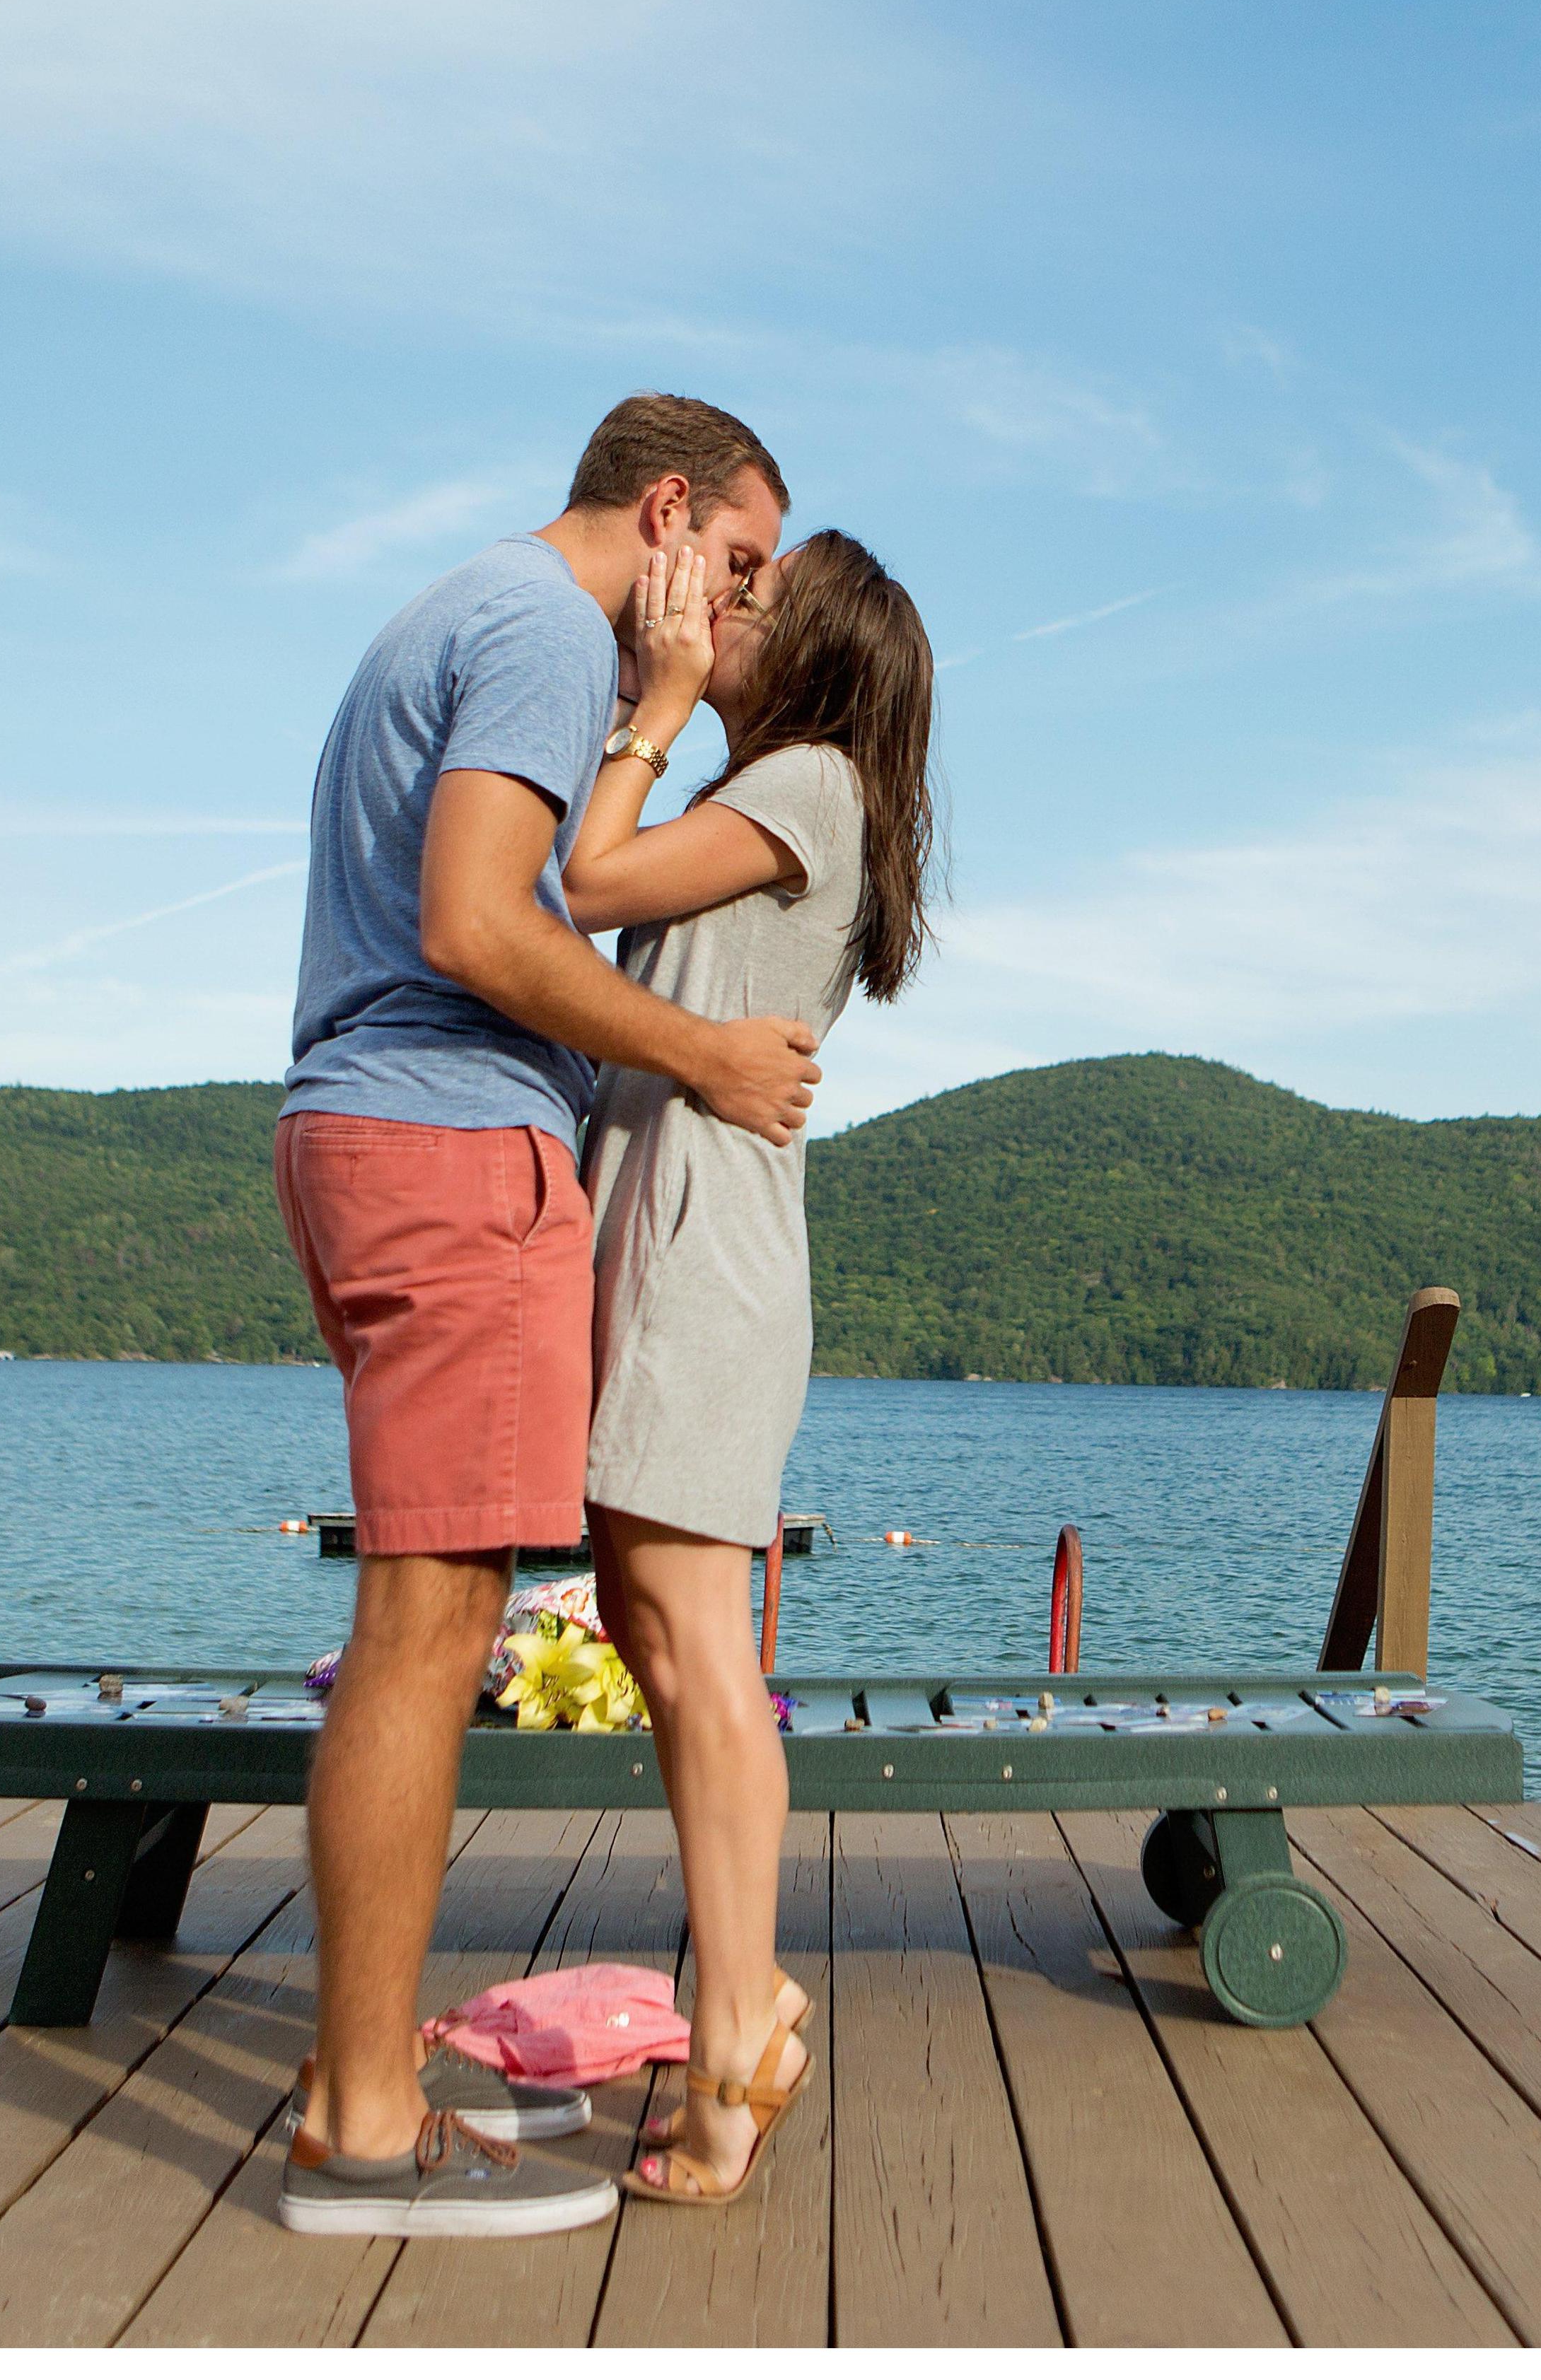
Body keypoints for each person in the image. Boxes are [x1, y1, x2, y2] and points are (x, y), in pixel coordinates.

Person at [273, 394, 822, 2239]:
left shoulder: (456, 615)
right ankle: (363, 2123)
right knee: (427, 1633)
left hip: (376, 1139)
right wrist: (706, 1056)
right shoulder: (531, 630)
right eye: (737, 563)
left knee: (422, 1628)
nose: (740, 608)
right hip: (446, 1153)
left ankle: (366, 2084)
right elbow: (479, 925)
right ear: (665, 511)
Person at [563, 528, 937, 2205]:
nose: (724, 608)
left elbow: (579, 885)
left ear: (820, 661)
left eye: (755, 605)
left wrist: (648, 705)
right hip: (678, 1239)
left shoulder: (806, 785)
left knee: (698, 1647)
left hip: (703, 1258)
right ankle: (746, 1996)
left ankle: (737, 2041)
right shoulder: (788, 794)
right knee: (656, 1628)